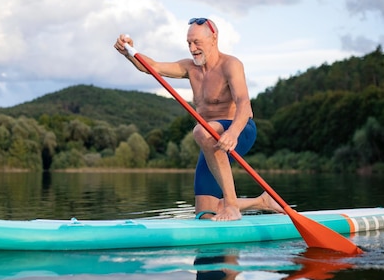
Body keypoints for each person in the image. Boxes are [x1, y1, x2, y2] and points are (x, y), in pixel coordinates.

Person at [114, 18, 284, 221]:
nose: (192, 48)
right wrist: (129, 54)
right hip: (210, 140)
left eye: (196, 42)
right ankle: (262, 202)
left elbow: (244, 103)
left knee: (201, 131)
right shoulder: (190, 68)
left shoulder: (231, 65)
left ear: (214, 38)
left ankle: (232, 206)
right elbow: (152, 67)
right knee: (205, 213)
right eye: (188, 43)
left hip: (239, 129)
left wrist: (233, 133)